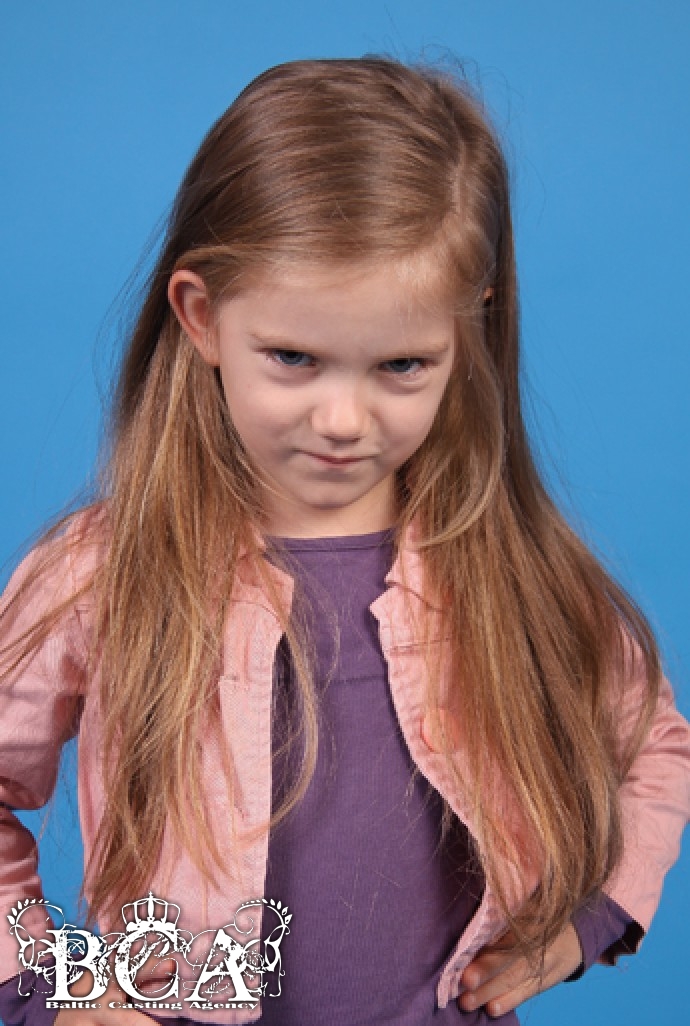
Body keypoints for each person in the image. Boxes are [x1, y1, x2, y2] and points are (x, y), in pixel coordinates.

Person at [0, 56, 688, 1026]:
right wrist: (39, 988)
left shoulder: (510, 570)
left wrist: (593, 916)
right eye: (294, 357)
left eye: (401, 365)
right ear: (202, 318)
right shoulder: (105, 571)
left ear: (469, 333)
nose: (342, 419)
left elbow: (654, 743)